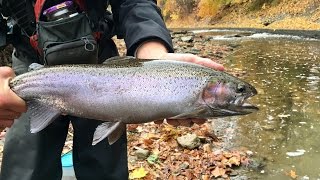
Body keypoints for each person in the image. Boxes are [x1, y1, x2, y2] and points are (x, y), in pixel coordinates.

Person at [0, 0, 224, 180]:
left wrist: (154, 58)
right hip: (29, 61)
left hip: (105, 67)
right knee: (26, 169)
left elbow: (135, 3)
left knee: (104, 167)